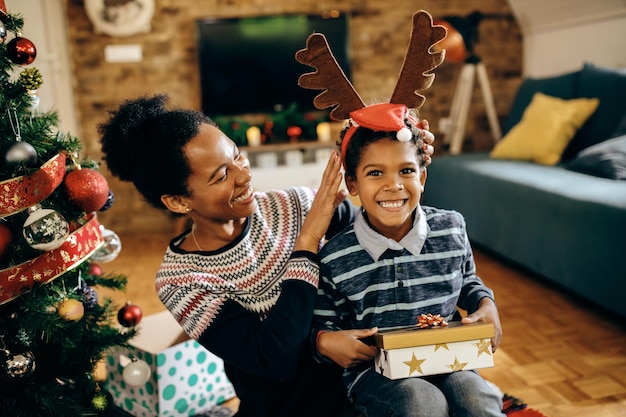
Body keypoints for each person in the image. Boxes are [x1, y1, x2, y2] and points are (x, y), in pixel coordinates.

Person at [98, 93, 436, 417]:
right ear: (178, 201)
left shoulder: (295, 204)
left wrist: (404, 155)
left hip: (366, 385)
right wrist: (307, 241)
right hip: (290, 409)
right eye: (221, 175)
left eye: (237, 156)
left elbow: (382, 241)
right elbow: (273, 358)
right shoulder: (181, 281)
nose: (244, 175)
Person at [311, 102, 505, 417]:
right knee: (423, 402)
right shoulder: (336, 255)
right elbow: (322, 324)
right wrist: (327, 342)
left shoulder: (451, 228)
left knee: (476, 398)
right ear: (353, 184)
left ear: (422, 177)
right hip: (375, 373)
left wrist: (486, 303)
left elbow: (467, 280)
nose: (394, 185)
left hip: (449, 359)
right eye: (375, 173)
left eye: (406, 171)